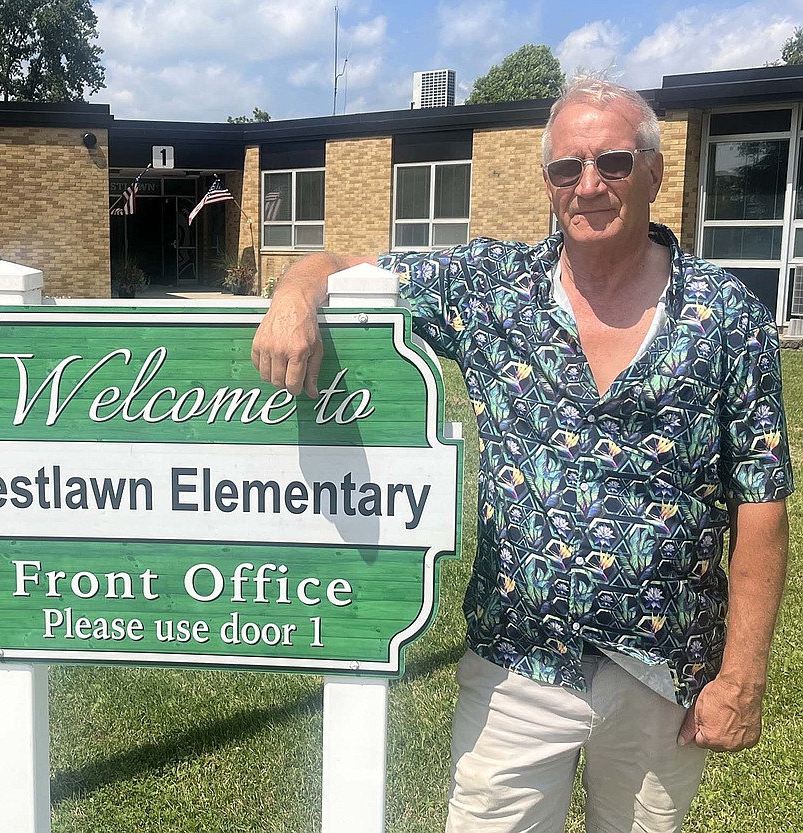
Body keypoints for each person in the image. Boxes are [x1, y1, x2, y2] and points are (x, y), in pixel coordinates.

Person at [251, 77, 793, 832]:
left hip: (665, 676)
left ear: (654, 171)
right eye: (567, 168)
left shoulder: (729, 313)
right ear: (548, 182)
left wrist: (743, 676)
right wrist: (293, 299)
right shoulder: (492, 288)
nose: (589, 185)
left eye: (611, 162)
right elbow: (339, 262)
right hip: (516, 666)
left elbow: (761, 506)